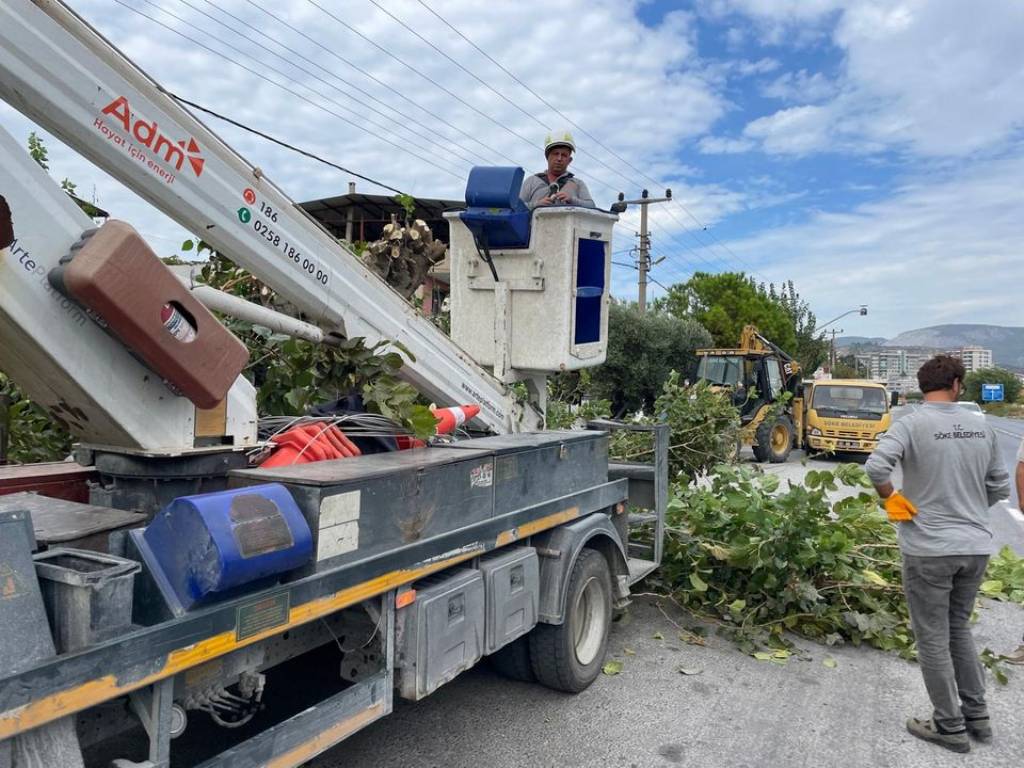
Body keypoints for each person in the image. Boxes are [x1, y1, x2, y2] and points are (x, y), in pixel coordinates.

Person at [865, 354, 1009, 753]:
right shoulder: (983, 427)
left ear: (923, 386)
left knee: (932, 637)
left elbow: (876, 468)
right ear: (958, 385)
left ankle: (949, 725)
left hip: (928, 549)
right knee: (958, 628)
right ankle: (977, 718)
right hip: (975, 547)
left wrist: (893, 499)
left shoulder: (911, 424)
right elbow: (999, 487)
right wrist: (970, 511)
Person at [518, 131, 595, 210]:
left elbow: (592, 206)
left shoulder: (578, 184)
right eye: (555, 154)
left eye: (564, 155)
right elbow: (515, 207)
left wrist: (572, 200)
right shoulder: (531, 181)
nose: (559, 159)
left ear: (569, 160)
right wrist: (536, 205)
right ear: (547, 157)